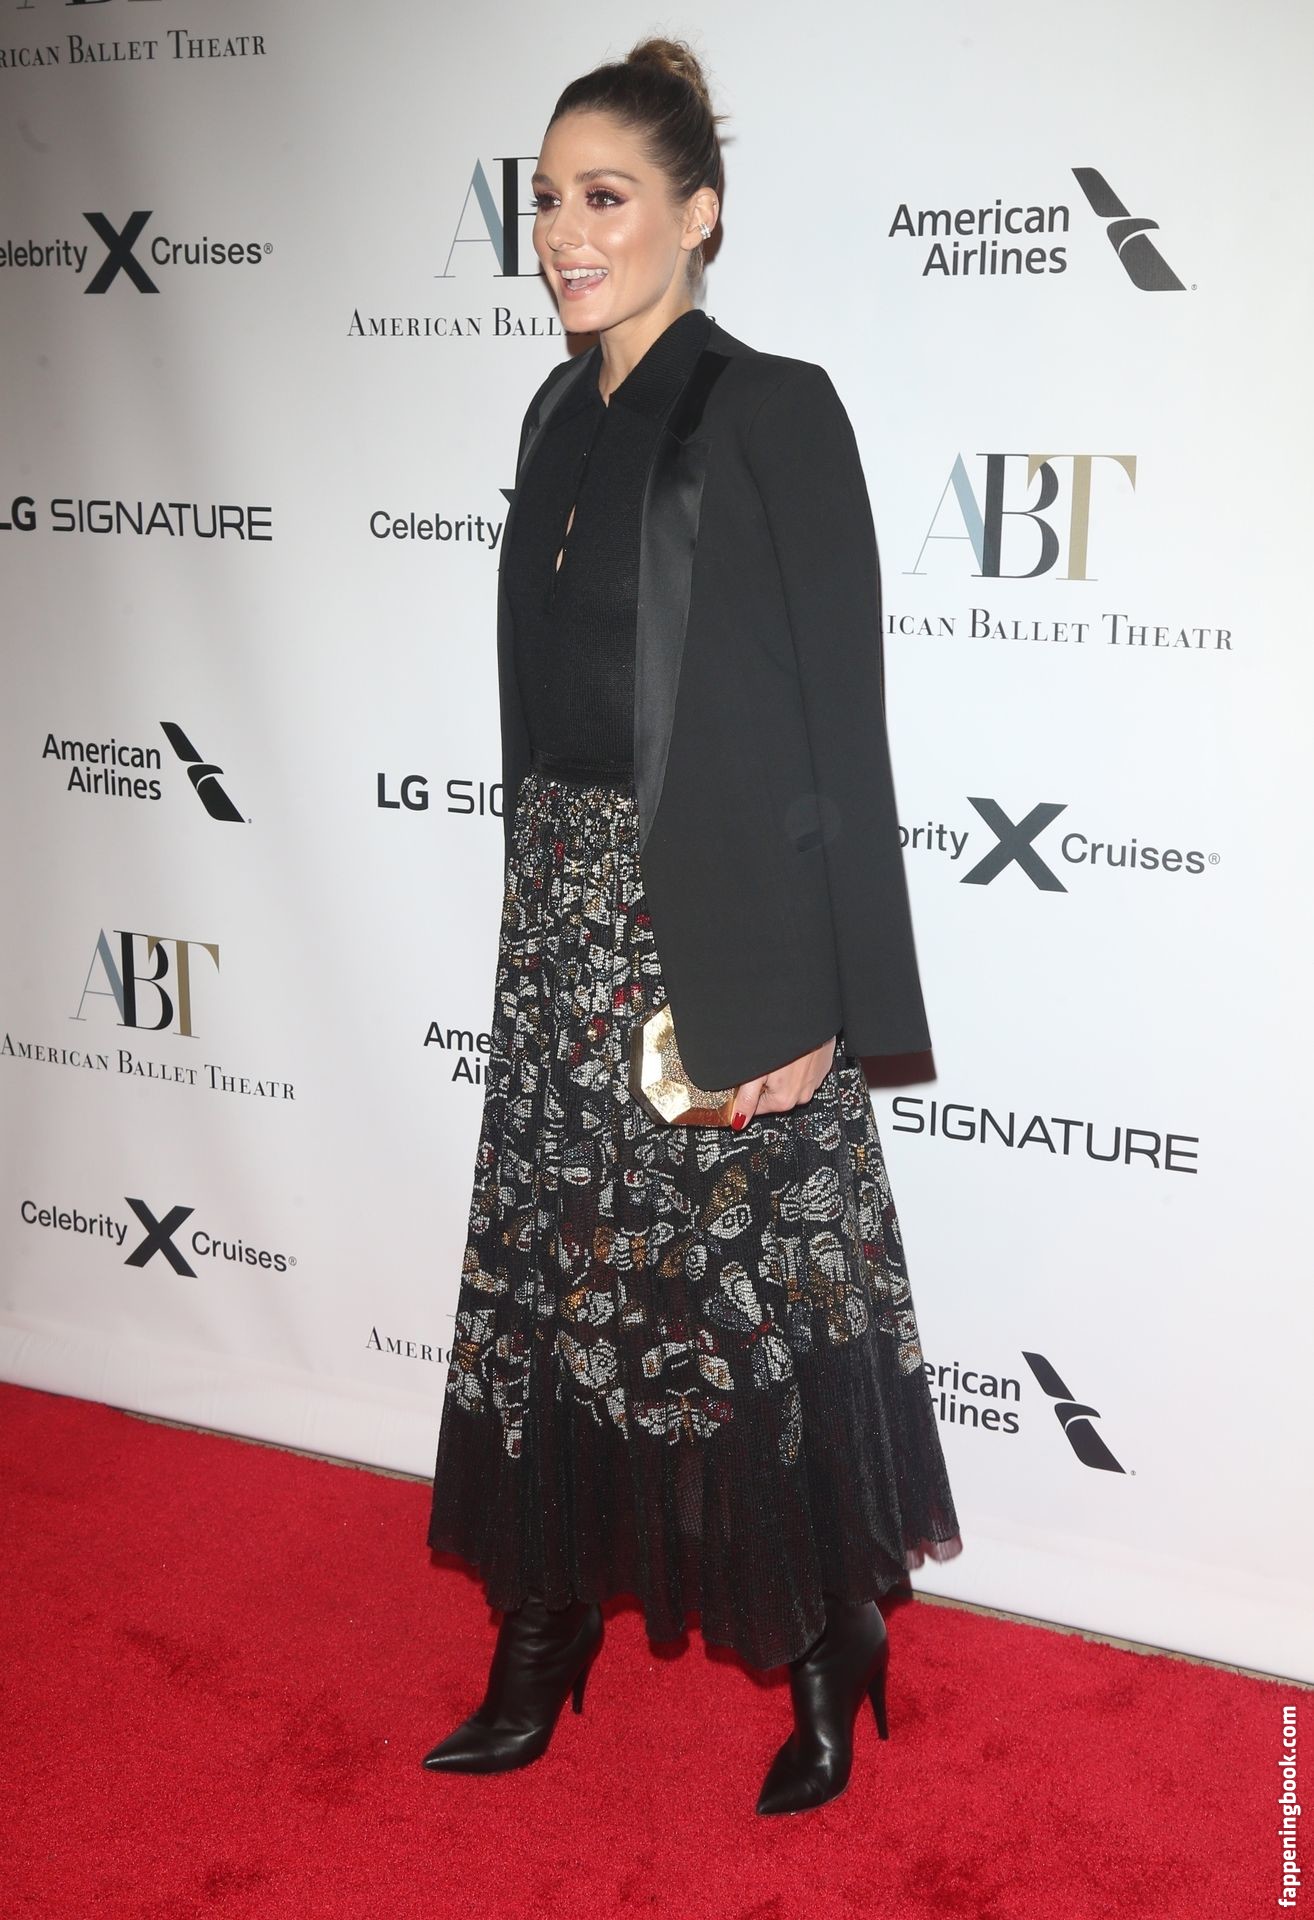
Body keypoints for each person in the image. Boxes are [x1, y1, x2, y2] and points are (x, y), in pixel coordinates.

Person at [424, 35, 962, 1816]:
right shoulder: (548, 415)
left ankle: (823, 1638)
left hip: (715, 940)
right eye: (546, 201)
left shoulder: (771, 409)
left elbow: (839, 725)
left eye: (606, 197)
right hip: (562, 929)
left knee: (738, 1309)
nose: (565, 234)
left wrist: (822, 998)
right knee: (554, 1282)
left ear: (697, 213)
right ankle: (541, 1630)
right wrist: (537, 915)